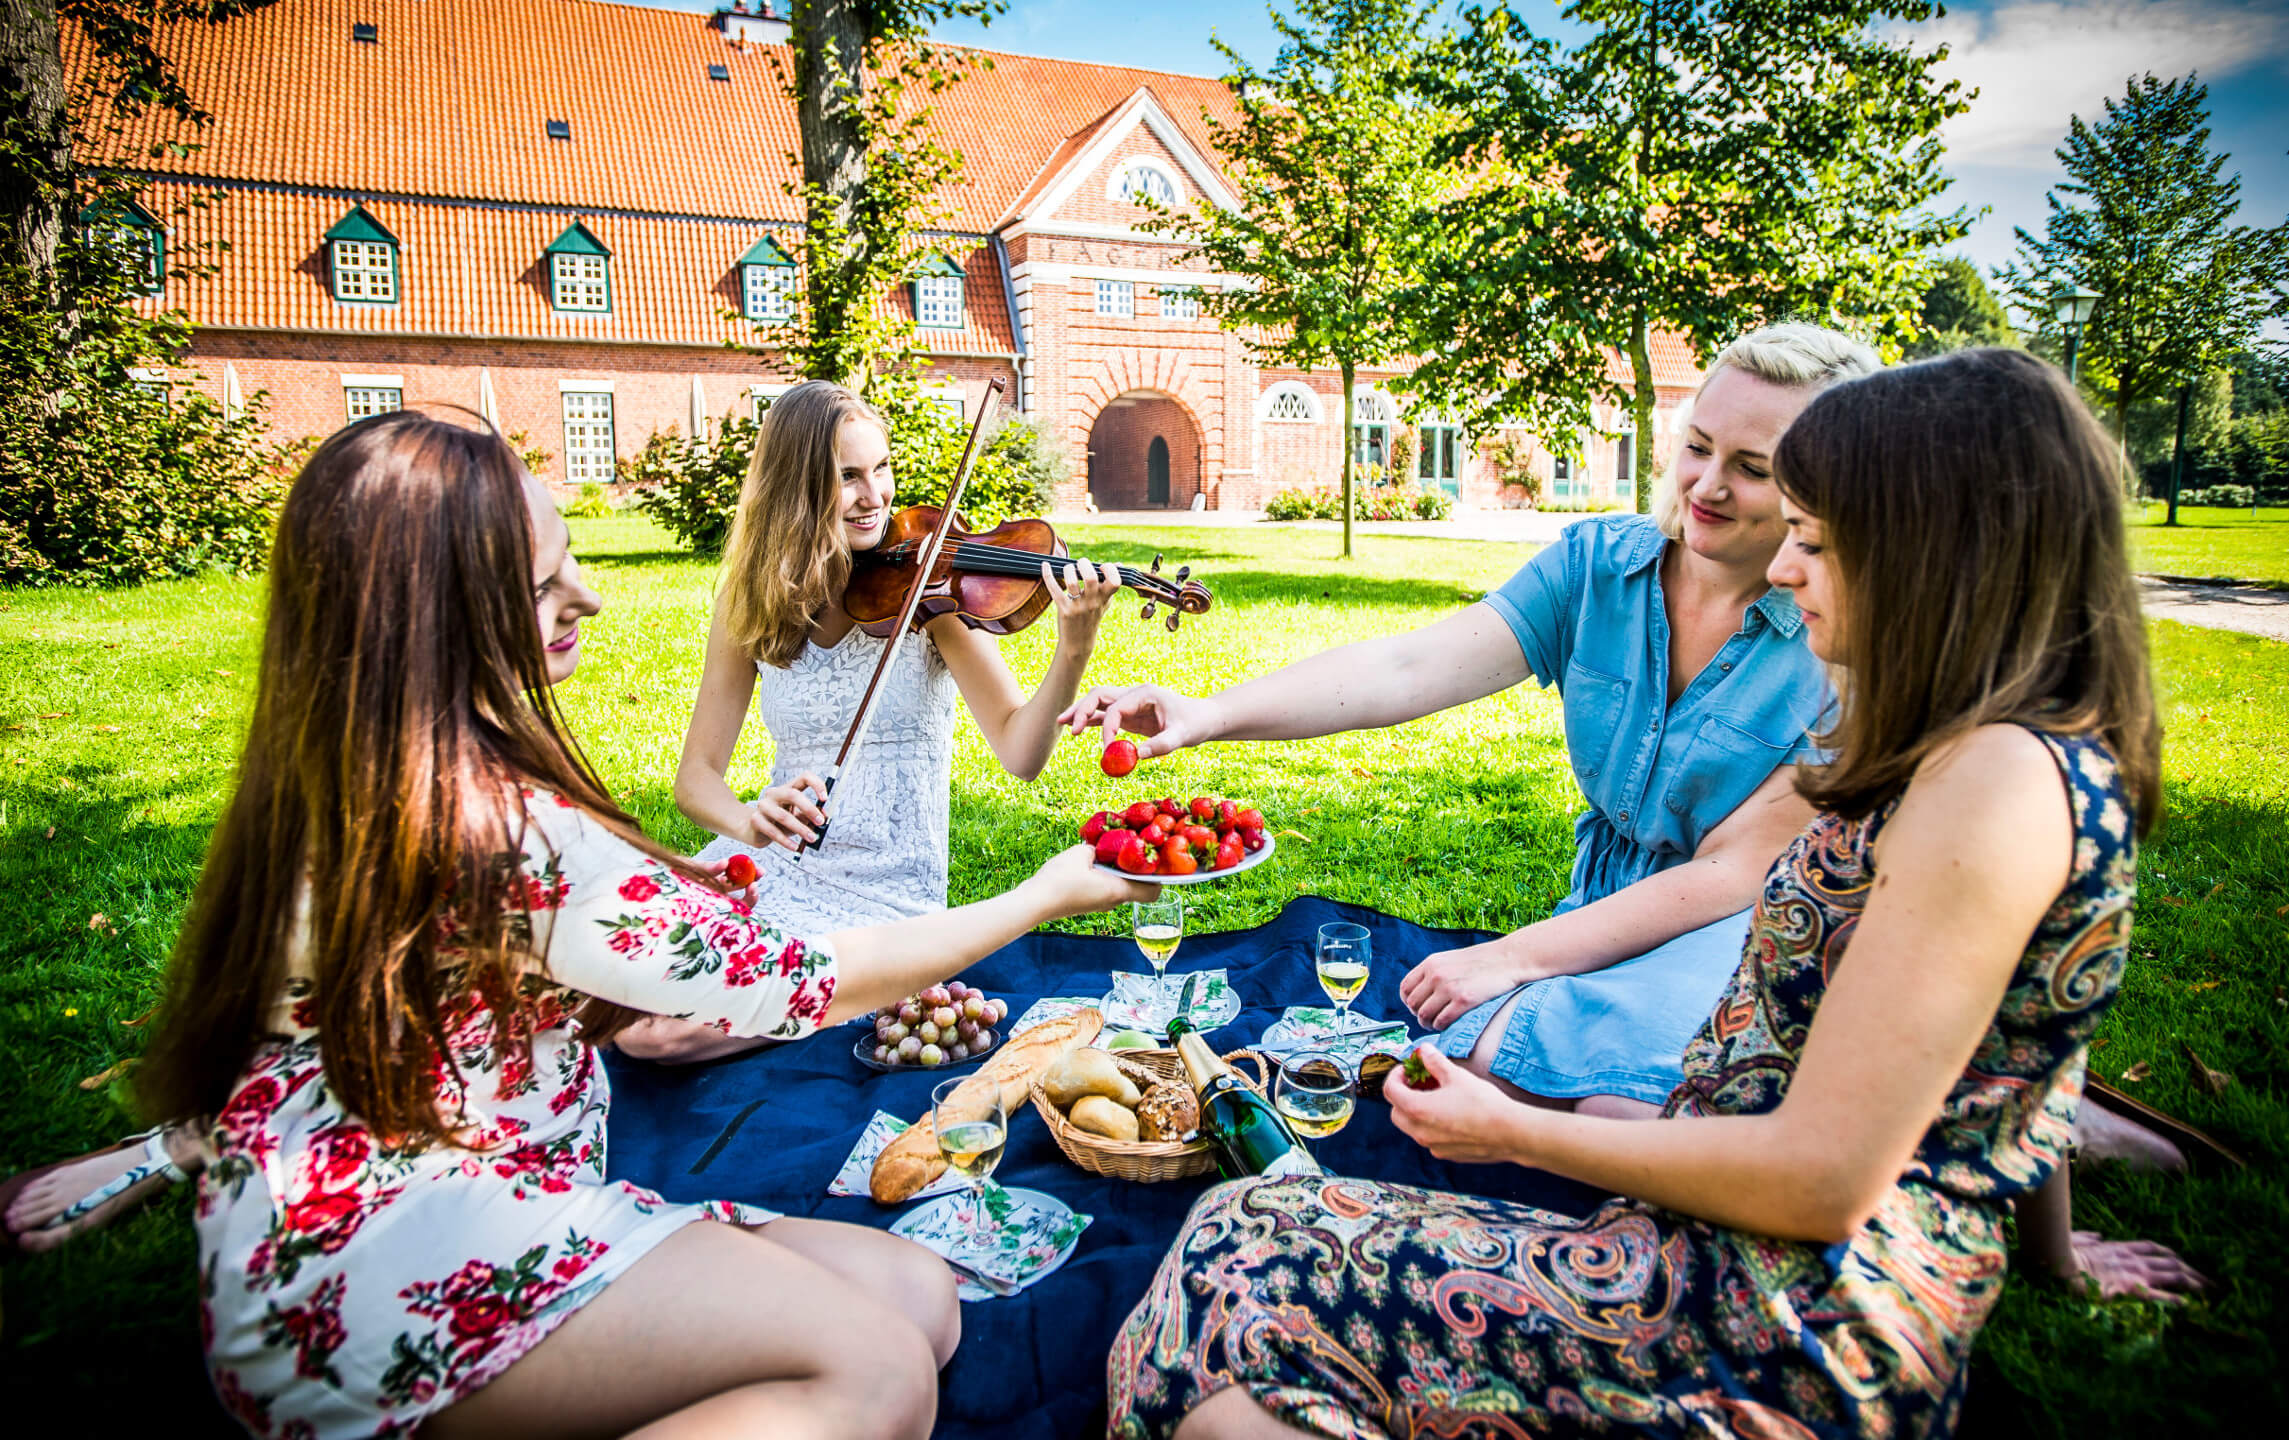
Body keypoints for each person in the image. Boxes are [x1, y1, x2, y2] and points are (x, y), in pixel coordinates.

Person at [1105, 348, 2174, 1440]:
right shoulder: (1977, 744)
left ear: (1937, 550)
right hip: (1740, 1254)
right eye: (1707, 457)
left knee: (1229, 1272)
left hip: (1787, 1329)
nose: (1791, 569)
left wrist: (1517, 1134)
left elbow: (1820, 1182)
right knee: (1238, 1257)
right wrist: (2049, 1250)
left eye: (1815, 537)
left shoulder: (1987, 785)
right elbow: (2024, 1042)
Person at [129, 411, 1149, 1439]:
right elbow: (799, 982)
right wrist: (1040, 897)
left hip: (449, 1185)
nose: (593, 596)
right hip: (379, 1266)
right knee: (881, 1372)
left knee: (920, 1297)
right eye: (542, 585)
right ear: (429, 614)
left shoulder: (365, 761)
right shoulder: (496, 830)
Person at [1065, 323, 1875, 1116]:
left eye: (1751, 468)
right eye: (1697, 447)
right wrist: (1208, 713)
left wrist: (1509, 957)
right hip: (1597, 911)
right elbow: (1406, 667)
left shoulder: (1840, 639)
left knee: (1619, 1103)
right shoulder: (1599, 566)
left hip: (1734, 929)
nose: (1705, 486)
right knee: (1483, 1064)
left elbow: (1730, 875)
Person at [616, 378, 1124, 1063]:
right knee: (615, 980)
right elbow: (695, 780)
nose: (876, 495)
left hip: (885, 893)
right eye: (847, 477)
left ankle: (855, 984)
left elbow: (1020, 752)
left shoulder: (928, 591)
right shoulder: (752, 599)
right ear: (795, 489)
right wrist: (748, 820)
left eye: (881, 468)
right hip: (776, 866)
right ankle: (830, 997)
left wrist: (1073, 648)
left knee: (662, 1033)